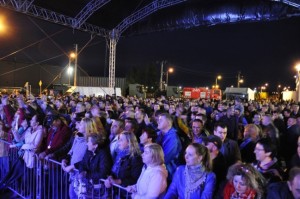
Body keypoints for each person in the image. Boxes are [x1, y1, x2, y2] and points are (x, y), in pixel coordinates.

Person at [71, 133, 112, 199]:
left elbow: (103, 173)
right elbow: (82, 163)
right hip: (89, 187)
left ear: (95, 145)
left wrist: (87, 174)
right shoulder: (88, 151)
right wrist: (82, 172)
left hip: (99, 190)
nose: (87, 144)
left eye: (89, 142)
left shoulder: (104, 154)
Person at [156, 113, 182, 180]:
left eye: (161, 120)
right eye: (158, 120)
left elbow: (164, 159)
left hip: (169, 173)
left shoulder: (173, 138)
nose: (158, 121)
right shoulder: (161, 134)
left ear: (168, 122)